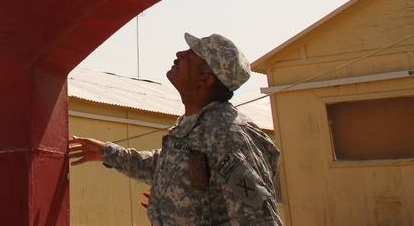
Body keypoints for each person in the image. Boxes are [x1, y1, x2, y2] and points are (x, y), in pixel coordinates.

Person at [69, 33, 283, 225]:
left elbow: (258, 220)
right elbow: (161, 165)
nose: (180, 53)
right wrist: (107, 153)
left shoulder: (227, 134)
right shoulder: (193, 124)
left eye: (192, 54)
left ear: (205, 80)